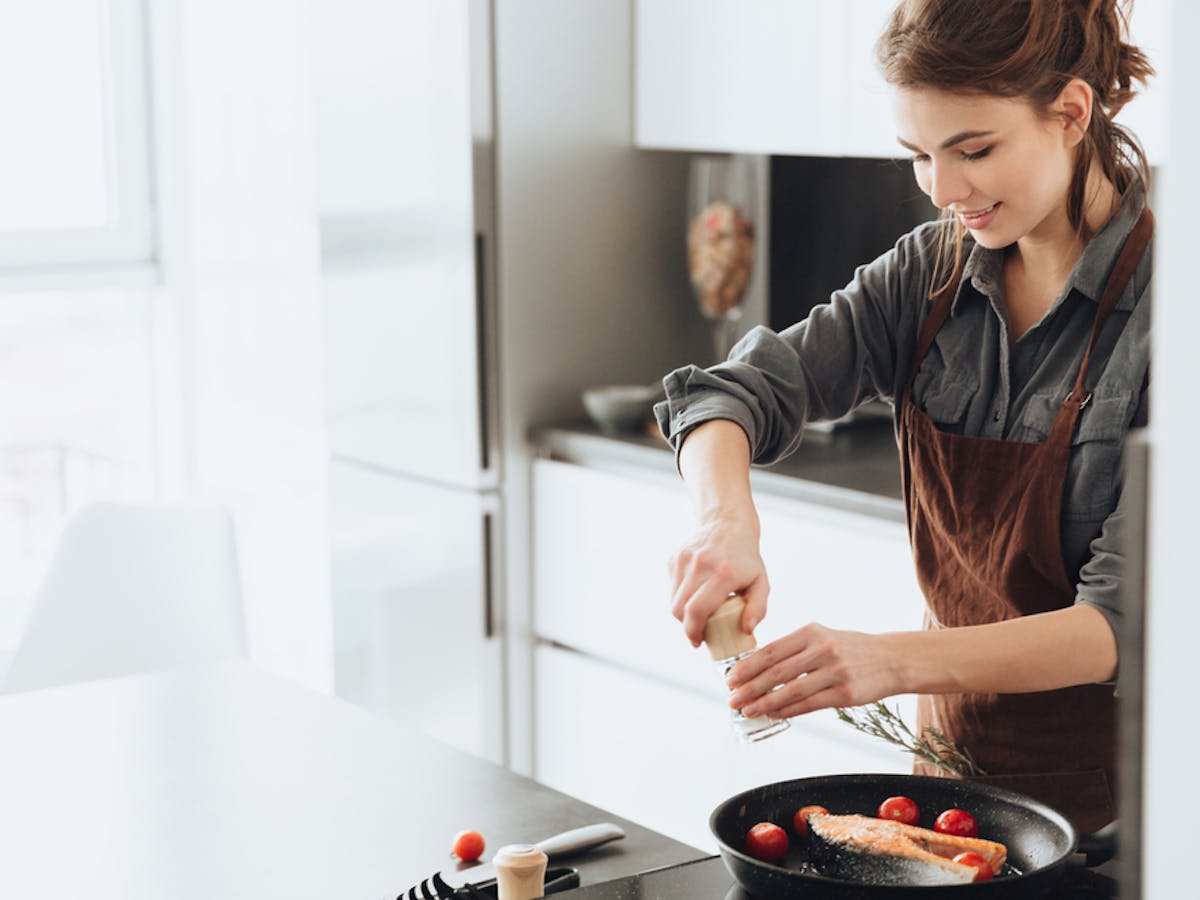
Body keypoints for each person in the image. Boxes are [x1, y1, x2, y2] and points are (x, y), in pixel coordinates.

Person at [655, 0, 1154, 834]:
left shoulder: (1170, 316)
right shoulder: (927, 275)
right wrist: (722, 522)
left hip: (1115, 816)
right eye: (919, 154)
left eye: (975, 149)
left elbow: (1116, 622)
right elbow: (730, 392)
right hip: (947, 776)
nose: (943, 189)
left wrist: (887, 660)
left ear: (1071, 113)